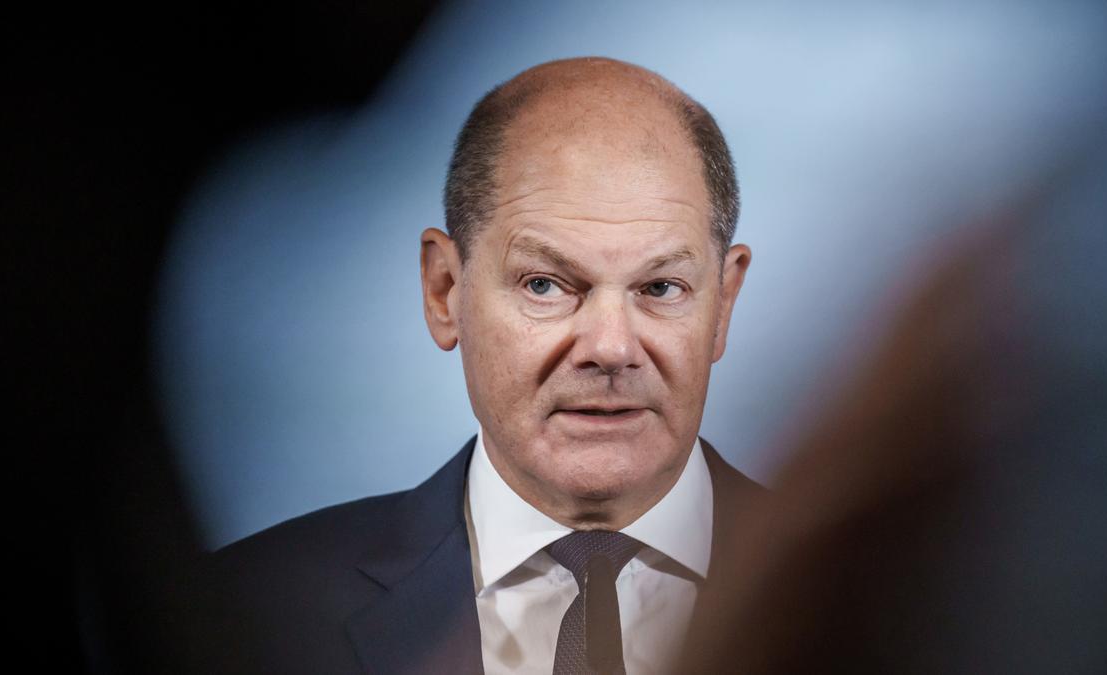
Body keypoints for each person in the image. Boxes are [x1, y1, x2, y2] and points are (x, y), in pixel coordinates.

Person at [177, 56, 760, 675]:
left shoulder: (865, 600)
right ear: (444, 290)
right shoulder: (247, 614)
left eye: (662, 288)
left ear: (722, 304)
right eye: (545, 285)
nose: (612, 348)